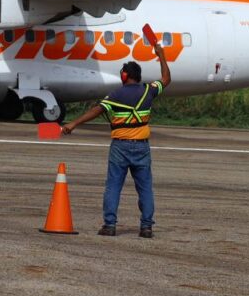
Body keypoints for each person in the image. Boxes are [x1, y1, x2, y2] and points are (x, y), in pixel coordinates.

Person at [61, 39, 171, 238]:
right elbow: (166, 79)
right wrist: (160, 54)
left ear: (124, 75)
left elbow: (96, 110)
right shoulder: (149, 90)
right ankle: (146, 227)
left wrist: (73, 124)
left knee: (113, 187)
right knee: (145, 188)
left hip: (120, 147)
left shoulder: (115, 95)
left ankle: (109, 225)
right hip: (142, 147)